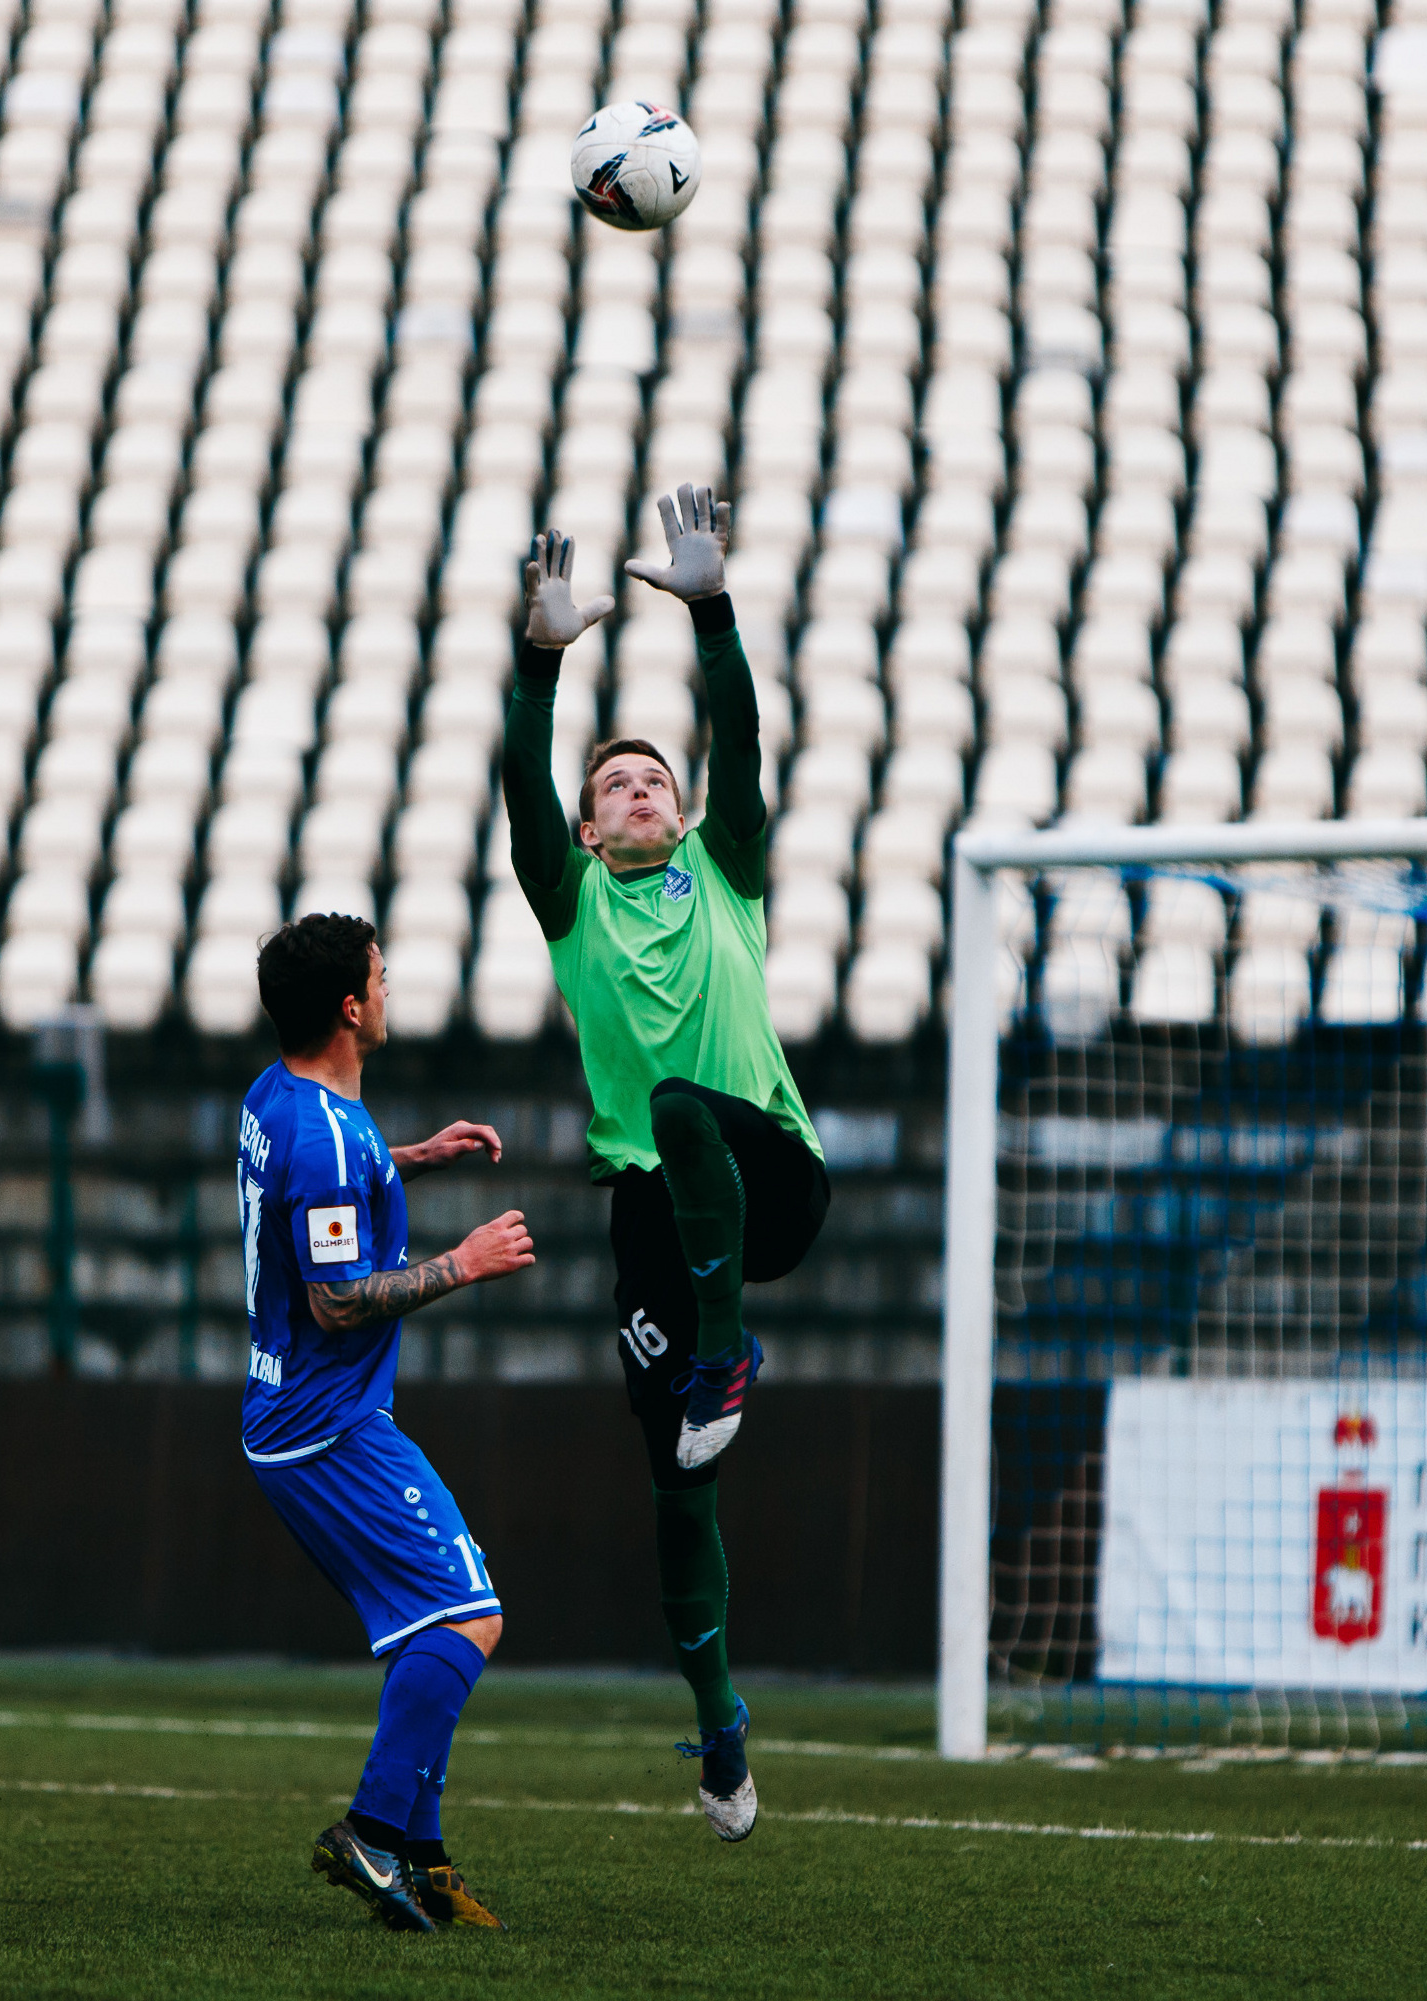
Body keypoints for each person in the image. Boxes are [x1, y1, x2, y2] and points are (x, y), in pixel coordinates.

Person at [503, 487, 833, 1843]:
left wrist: (712, 612)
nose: (632, 790)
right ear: (587, 831)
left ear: (682, 811)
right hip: (651, 1217)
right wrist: (540, 666)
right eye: (608, 787)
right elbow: (524, 786)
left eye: (652, 780)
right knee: (675, 1493)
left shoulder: (729, 867)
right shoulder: (569, 898)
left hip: (774, 1176)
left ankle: (724, 1359)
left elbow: (742, 741)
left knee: (693, 1105)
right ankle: (720, 1734)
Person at [238, 912, 538, 1931]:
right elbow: (335, 1300)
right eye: (381, 975)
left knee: (439, 1613)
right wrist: (467, 1261)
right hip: (329, 1425)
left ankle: (420, 1856)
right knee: (467, 1617)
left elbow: (319, 1185)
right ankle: (375, 1832)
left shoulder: (282, 1096)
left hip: (303, 1416)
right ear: (352, 1008)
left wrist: (412, 1156)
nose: (390, 989)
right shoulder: (323, 1137)